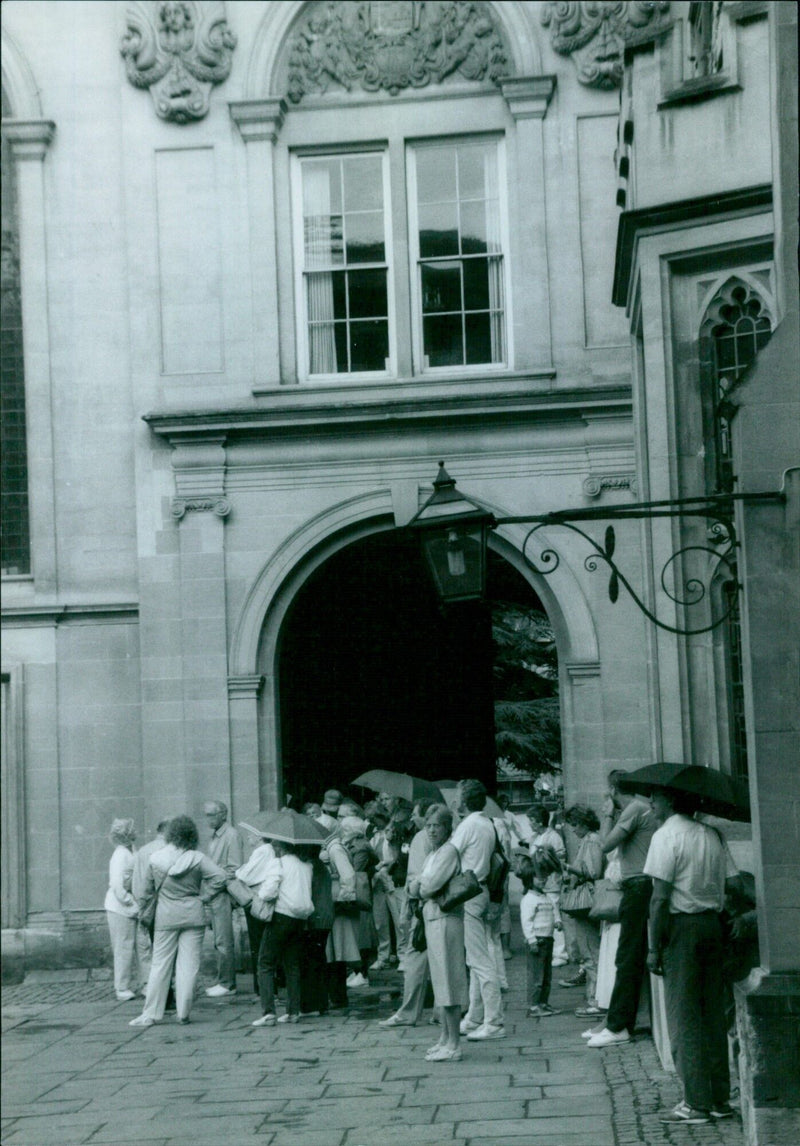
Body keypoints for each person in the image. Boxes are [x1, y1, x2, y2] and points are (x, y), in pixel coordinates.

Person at [645, 788, 732, 1125]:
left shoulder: (666, 836)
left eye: (655, 798)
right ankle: (719, 1098)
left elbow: (658, 897)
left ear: (670, 801)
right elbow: (730, 882)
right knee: (712, 1015)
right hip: (712, 924)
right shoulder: (712, 835)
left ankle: (695, 1102)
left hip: (683, 928)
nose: (651, 803)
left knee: (683, 1016)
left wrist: (654, 946)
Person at [130, 815, 227, 1027]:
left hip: (165, 915)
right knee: (189, 965)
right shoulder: (198, 858)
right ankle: (183, 1012)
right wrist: (205, 896)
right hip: (194, 913)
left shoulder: (156, 858)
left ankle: (151, 1013)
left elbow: (145, 891)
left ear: (170, 834)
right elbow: (220, 877)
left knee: (160, 965)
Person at [585, 771, 657, 1048]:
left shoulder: (634, 809)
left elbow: (604, 845)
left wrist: (606, 815)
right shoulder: (639, 809)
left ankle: (618, 1026)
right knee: (628, 957)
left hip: (638, 887)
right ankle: (617, 1021)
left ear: (613, 789)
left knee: (627, 958)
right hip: (639, 886)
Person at [408, 804, 469, 1062]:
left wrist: (418, 885)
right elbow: (418, 882)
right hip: (434, 919)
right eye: (429, 825)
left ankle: (454, 1042)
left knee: (449, 979)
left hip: (445, 919)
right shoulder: (435, 853)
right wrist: (418, 884)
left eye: (438, 825)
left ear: (447, 828)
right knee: (441, 979)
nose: (432, 830)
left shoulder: (448, 852)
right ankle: (445, 1037)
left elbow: (427, 885)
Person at [450, 779, 505, 1041]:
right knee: (476, 959)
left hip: (469, 892)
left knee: (480, 962)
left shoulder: (468, 825)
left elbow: (450, 855)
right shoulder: (487, 823)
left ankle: (494, 1022)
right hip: (481, 890)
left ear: (463, 800)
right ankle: (474, 1017)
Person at [378, 799, 435, 1027]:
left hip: (420, 907)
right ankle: (442, 1011)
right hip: (430, 907)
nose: (412, 818)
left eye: (415, 814)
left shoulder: (422, 838)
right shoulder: (421, 838)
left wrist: (410, 901)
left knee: (414, 958)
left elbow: (417, 878)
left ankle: (409, 1011)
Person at [251, 840, 314, 1026]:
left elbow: (269, 892)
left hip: (280, 916)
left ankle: (269, 1011)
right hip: (299, 918)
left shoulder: (278, 863)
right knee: (292, 964)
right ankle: (293, 1012)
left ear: (280, 847)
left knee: (265, 963)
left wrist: (260, 893)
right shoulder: (306, 866)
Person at [562, 805, 605, 1020]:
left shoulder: (591, 841)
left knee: (590, 950)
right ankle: (594, 997)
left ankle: (596, 999)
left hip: (587, 901)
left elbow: (594, 871)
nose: (573, 829)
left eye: (575, 824)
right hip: (586, 900)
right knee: (589, 950)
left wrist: (571, 869)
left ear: (584, 823)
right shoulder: (589, 840)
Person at [203, 801, 243, 998]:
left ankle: (227, 983)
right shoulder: (216, 835)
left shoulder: (231, 835)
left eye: (211, 814)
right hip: (214, 891)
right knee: (219, 938)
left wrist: (210, 891)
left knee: (223, 939)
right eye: (206, 815)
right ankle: (224, 980)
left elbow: (233, 869)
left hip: (222, 892)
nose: (207, 818)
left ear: (222, 814)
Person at [131, 819, 171, 1003]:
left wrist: (142, 906)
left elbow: (137, 883)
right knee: (168, 950)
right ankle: (167, 990)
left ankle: (153, 988)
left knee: (151, 948)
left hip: (149, 906)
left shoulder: (143, 850)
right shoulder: (172, 850)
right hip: (169, 905)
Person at [527, 804, 569, 969]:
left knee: (555, 917)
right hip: (540, 884)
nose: (530, 823)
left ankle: (561, 953)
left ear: (538, 821)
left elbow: (561, 859)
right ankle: (550, 951)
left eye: (531, 820)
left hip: (552, 883)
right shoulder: (535, 837)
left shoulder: (553, 837)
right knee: (544, 918)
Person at [323, 826, 361, 1008]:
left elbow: (348, 875)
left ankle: (338, 996)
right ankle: (336, 995)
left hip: (336, 904)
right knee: (335, 950)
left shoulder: (335, 848)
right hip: (334, 904)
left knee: (337, 950)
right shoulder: (333, 847)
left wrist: (343, 899)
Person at [235, 830, 277, 995]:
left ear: (259, 836)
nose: (248, 837)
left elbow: (245, 875)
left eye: (251, 834)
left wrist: (239, 871)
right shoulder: (267, 850)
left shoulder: (262, 850)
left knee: (257, 941)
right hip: (261, 896)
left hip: (256, 897)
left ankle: (261, 986)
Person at [520, 855, 563, 1017]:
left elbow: (554, 911)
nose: (543, 881)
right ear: (530, 879)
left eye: (545, 878)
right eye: (539, 878)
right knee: (536, 976)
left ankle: (543, 1003)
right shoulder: (529, 899)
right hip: (537, 940)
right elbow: (527, 921)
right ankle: (533, 1006)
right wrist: (531, 940)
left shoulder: (545, 897)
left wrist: (557, 921)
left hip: (548, 939)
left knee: (546, 976)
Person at [104, 818, 141, 1001]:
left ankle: (143, 983)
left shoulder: (130, 850)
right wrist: (131, 904)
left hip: (129, 904)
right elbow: (118, 886)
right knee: (123, 947)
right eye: (131, 831)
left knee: (137, 946)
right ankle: (122, 987)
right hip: (119, 907)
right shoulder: (120, 855)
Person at [339, 816, 377, 983]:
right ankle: (358, 971)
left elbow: (356, 870)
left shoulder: (360, 847)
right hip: (359, 891)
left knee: (362, 934)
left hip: (360, 893)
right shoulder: (355, 845)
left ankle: (362, 973)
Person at [299, 844, 334, 1017]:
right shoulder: (320, 866)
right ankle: (321, 1002)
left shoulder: (311, 867)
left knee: (312, 960)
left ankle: (313, 1003)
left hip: (315, 919)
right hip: (324, 917)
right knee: (319, 958)